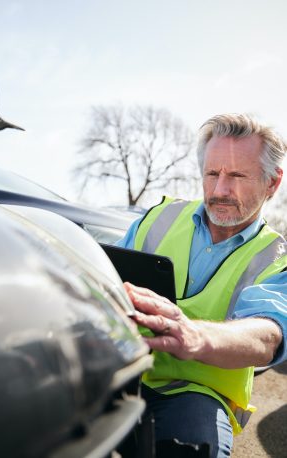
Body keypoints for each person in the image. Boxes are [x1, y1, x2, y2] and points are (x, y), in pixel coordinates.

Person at [116, 114, 287, 458]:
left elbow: (268, 334)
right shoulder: (156, 219)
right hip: (122, 372)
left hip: (197, 394)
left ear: (272, 182)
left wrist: (195, 336)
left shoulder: (276, 259)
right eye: (212, 174)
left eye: (237, 175)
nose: (221, 190)